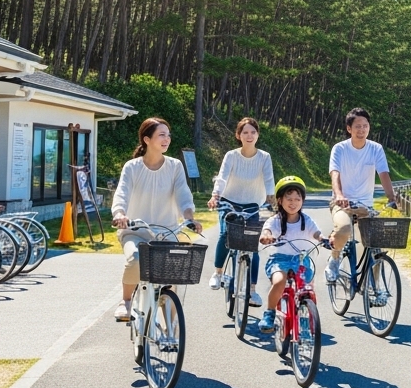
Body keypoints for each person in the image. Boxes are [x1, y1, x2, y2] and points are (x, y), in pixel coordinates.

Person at [110, 117, 201, 322]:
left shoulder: (175, 166)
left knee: (171, 280)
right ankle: (125, 301)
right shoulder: (132, 167)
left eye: (168, 135)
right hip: (135, 231)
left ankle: (171, 331)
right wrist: (119, 214)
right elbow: (122, 193)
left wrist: (189, 217)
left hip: (167, 232)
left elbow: (183, 194)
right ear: (146, 139)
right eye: (161, 135)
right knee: (135, 259)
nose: (167, 139)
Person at [206, 117, 275, 305]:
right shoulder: (231, 155)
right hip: (229, 201)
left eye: (253, 132)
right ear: (238, 135)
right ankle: (218, 272)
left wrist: (272, 200)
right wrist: (215, 196)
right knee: (225, 234)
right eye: (245, 132)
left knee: (252, 245)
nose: (249, 135)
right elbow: (221, 178)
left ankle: (252, 290)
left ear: (258, 135)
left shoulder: (264, 157)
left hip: (252, 204)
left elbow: (269, 180)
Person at [325, 107, 397, 283]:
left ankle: (374, 288)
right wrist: (339, 195)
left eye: (365, 126)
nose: (362, 130)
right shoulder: (340, 149)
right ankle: (334, 260)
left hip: (366, 206)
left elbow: (383, 173)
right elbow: (334, 173)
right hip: (342, 204)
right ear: (349, 128)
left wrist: (392, 197)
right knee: (344, 229)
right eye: (357, 126)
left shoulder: (376, 149)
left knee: (376, 245)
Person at [256, 175, 323, 334]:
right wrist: (266, 236)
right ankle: (270, 312)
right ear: (280, 201)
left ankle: (306, 314)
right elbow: (267, 230)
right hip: (279, 260)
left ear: (302, 201)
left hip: (301, 259)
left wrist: (324, 238)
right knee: (279, 281)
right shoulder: (275, 220)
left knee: (306, 288)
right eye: (289, 199)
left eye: (297, 199)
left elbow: (316, 233)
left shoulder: (306, 220)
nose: (293, 203)